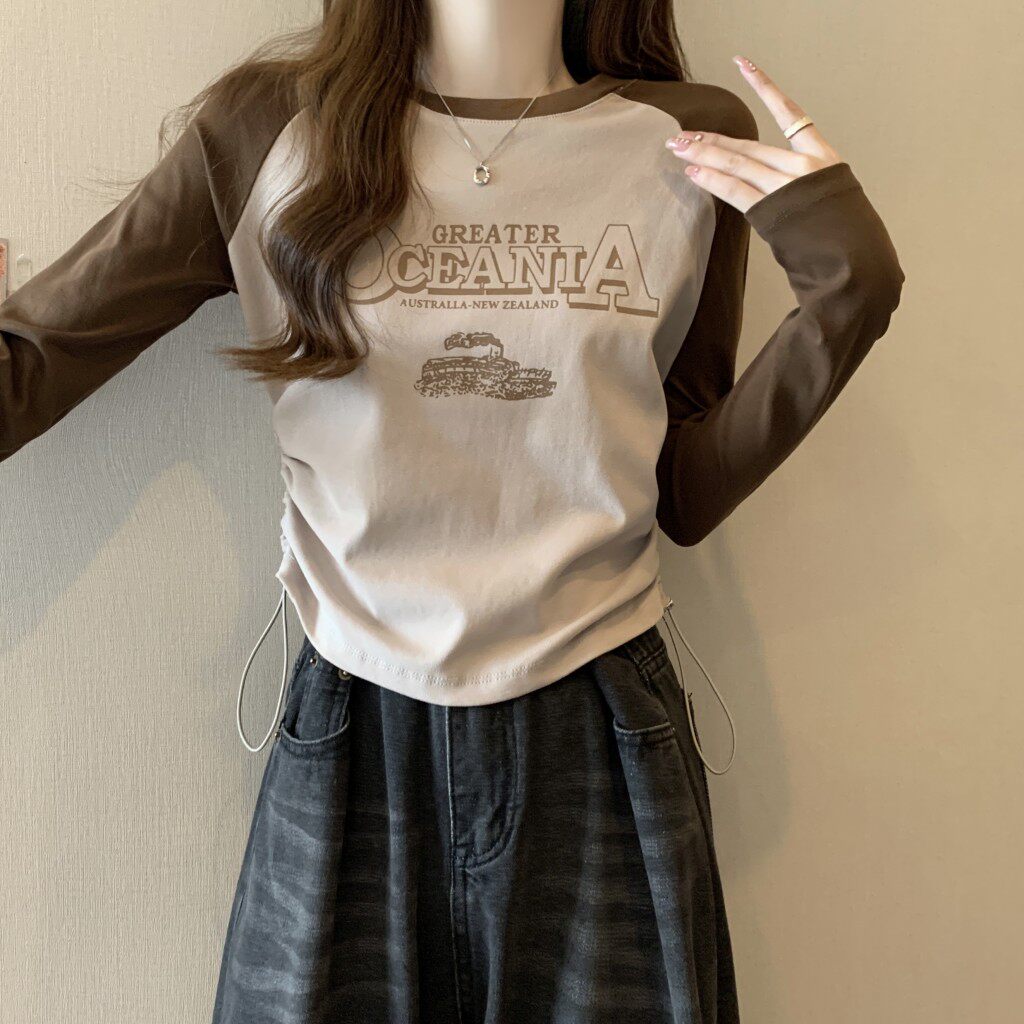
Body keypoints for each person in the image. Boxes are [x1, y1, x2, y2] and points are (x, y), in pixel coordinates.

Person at [0, 0, 905, 1020]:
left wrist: (849, 289)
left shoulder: (685, 140)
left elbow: (682, 491)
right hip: (355, 725)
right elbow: (31, 370)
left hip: (601, 725)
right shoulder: (265, 131)